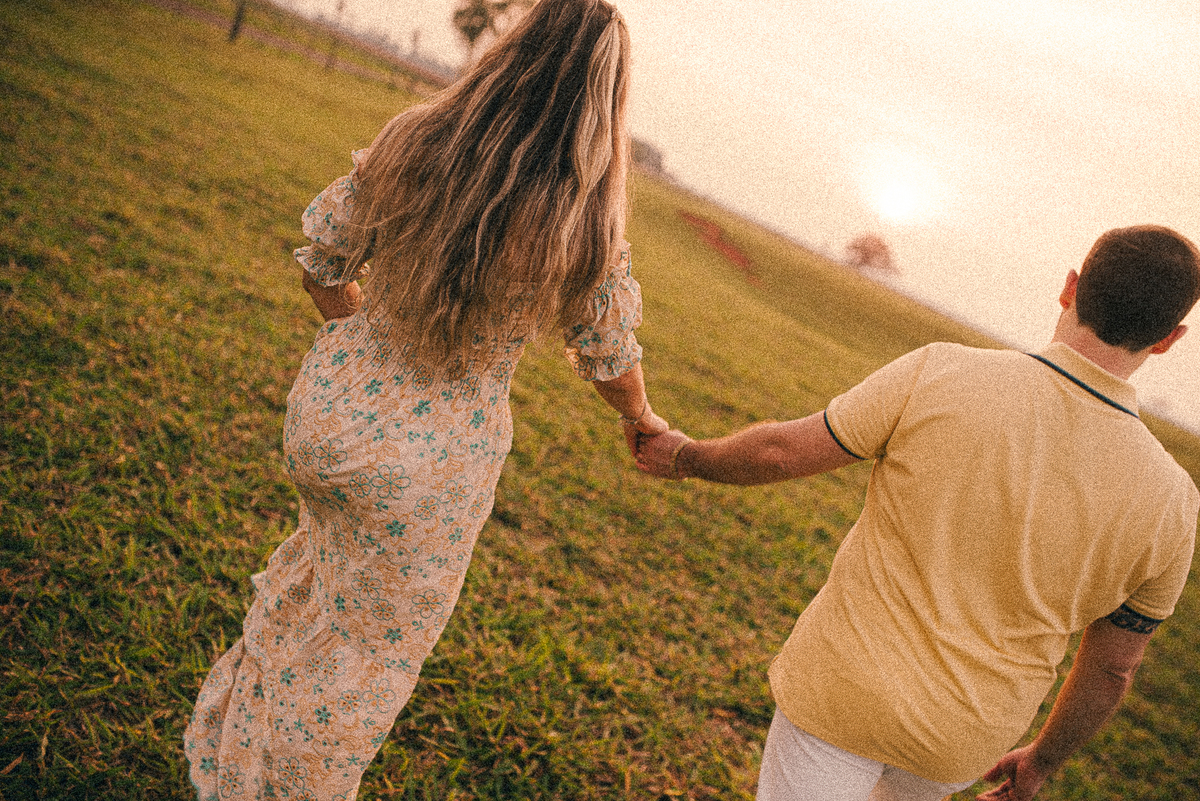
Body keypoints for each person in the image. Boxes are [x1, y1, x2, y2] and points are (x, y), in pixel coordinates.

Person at [184, 2, 668, 798]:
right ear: (602, 98)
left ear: (514, 51)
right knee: (364, 654)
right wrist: (640, 418)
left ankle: (229, 757)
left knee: (305, 585)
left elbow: (324, 267)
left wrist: (366, 354)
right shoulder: (580, 223)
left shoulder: (412, 138)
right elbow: (610, 358)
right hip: (432, 470)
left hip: (329, 417)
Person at [635, 225, 1200, 801]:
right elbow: (1112, 671)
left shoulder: (942, 372)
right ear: (1169, 339)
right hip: (961, 741)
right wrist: (1042, 762)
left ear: (1070, 288)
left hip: (841, 690)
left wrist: (685, 456)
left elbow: (782, 451)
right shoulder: (1175, 503)